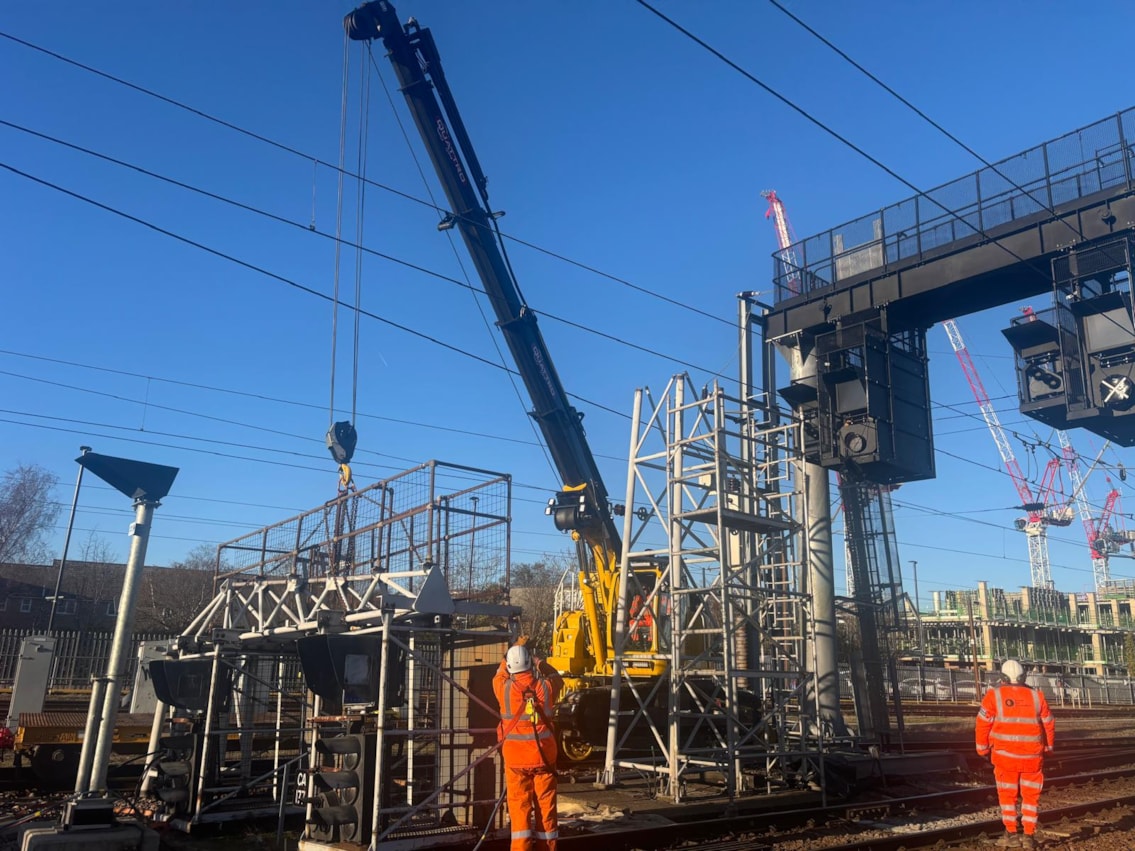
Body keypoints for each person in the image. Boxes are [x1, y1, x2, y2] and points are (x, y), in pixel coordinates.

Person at [975, 659, 1055, 849]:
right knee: (1031, 797)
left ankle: (1011, 834)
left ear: (1002, 677)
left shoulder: (993, 696)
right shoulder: (1037, 696)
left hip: (1005, 758)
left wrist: (982, 749)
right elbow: (1049, 723)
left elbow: (982, 723)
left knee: (1007, 795)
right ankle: (1029, 836)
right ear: (1023, 676)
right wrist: (1049, 748)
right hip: (1032, 758)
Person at [493, 636, 564, 851]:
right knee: (546, 809)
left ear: (510, 666)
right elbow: (556, 677)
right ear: (530, 664)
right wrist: (538, 661)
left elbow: (500, 672)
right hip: (544, 758)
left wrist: (516, 647)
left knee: (519, 810)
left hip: (515, 760)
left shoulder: (503, 688)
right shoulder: (546, 687)